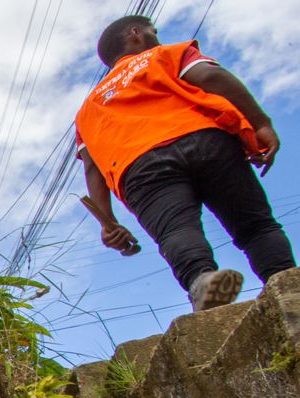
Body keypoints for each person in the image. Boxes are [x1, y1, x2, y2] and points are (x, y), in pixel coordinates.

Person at [76, 15, 293, 312]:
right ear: (136, 35)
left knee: (175, 231)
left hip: (140, 167)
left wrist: (109, 223)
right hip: (205, 141)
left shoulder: (88, 109)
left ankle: (202, 281)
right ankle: (287, 283)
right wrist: (260, 123)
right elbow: (210, 77)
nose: (158, 37)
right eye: (155, 32)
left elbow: (92, 167)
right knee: (255, 227)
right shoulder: (169, 54)